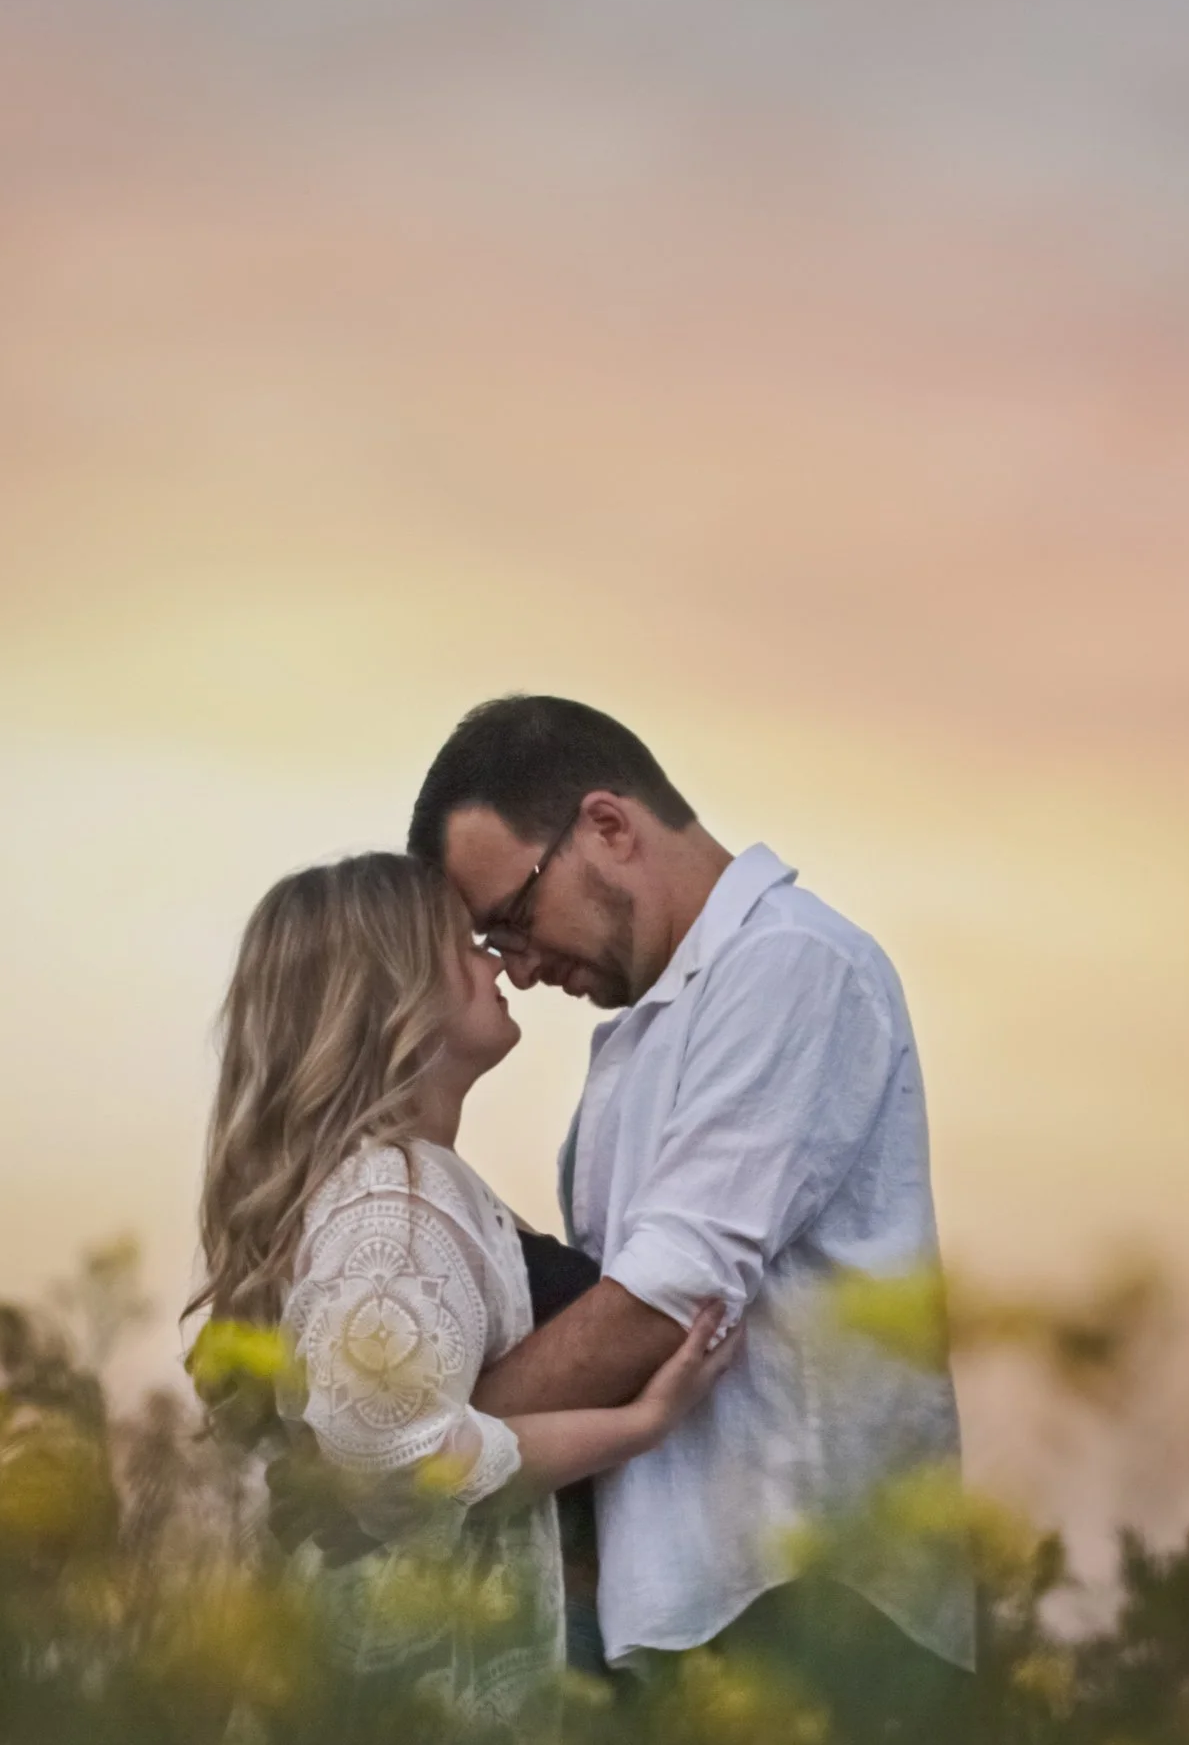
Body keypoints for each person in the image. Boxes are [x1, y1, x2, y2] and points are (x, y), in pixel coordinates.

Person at [407, 697, 973, 1687]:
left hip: (804, 1598)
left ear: (609, 828)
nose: (522, 970)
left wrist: (414, 1462)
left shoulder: (787, 962)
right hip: (681, 1610)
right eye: (493, 950)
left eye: (513, 919)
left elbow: (666, 1302)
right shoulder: (654, 1021)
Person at [191, 852, 730, 1716]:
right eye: (460, 945)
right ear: (393, 990)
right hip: (438, 1693)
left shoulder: (411, 1188)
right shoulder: (388, 1197)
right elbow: (391, 1459)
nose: (494, 962)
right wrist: (636, 1425)